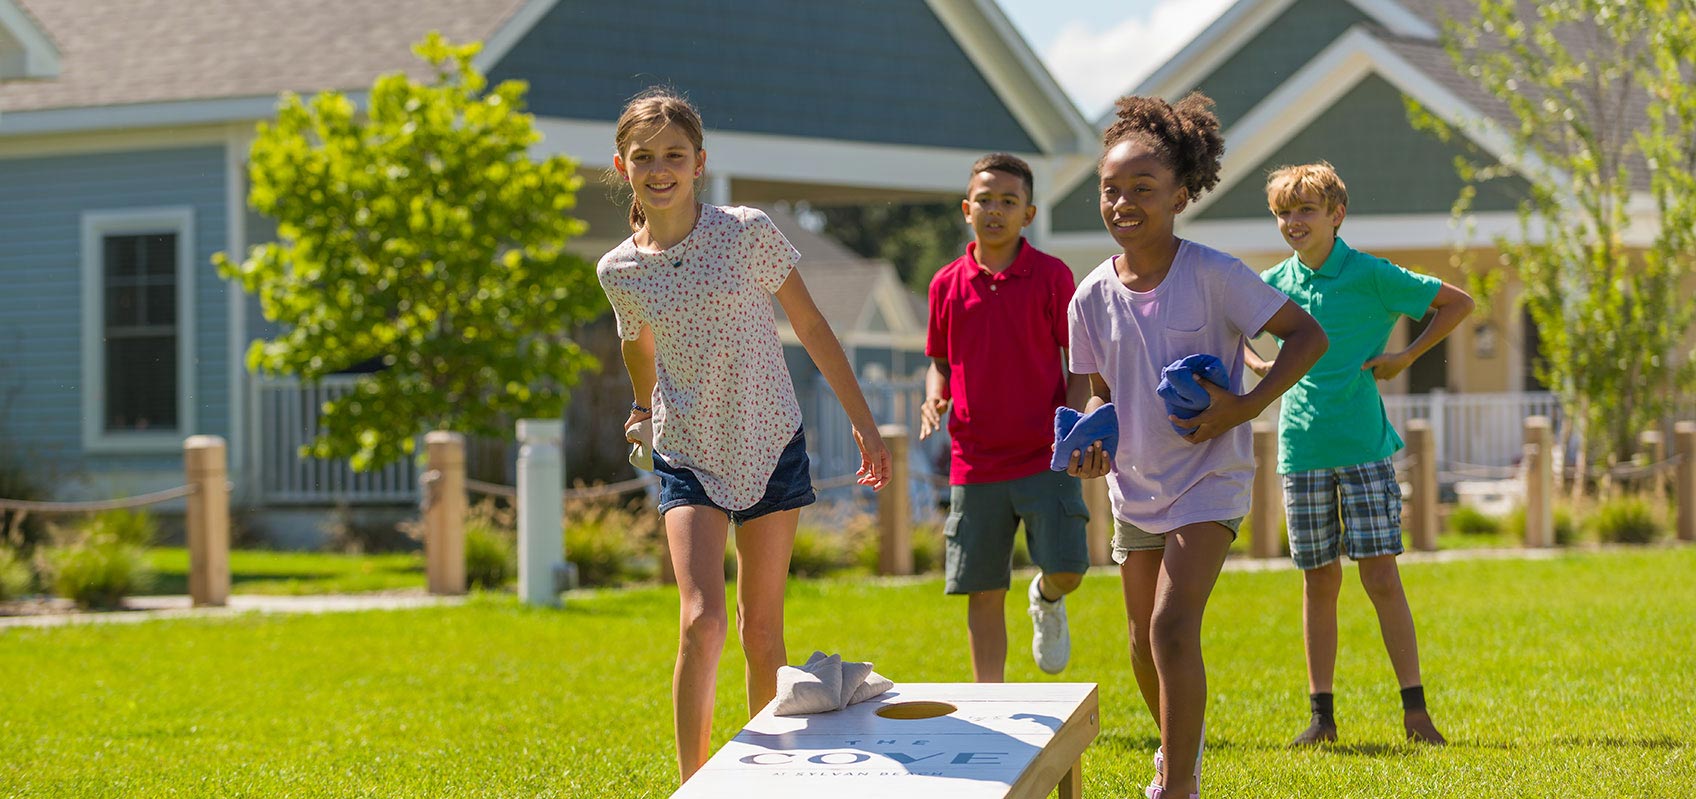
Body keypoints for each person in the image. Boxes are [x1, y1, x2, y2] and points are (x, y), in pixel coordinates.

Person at [595, 88, 892, 783]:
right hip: (686, 449)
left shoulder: (746, 232)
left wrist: (864, 421)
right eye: (644, 157)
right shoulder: (619, 270)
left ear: (701, 162)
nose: (660, 167)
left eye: (674, 154)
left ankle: (768, 780)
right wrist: (642, 407)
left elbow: (813, 328)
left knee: (762, 629)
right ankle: (695, 782)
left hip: (769, 437)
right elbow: (635, 345)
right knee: (701, 621)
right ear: (622, 165)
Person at [1064, 93, 1328, 799]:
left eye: (1143, 189)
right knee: (1142, 647)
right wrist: (1090, 432)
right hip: (1133, 487)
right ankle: (1179, 753)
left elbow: (1307, 337)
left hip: (1210, 479)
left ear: (1181, 195)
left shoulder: (1216, 274)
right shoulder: (1088, 296)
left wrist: (1242, 407)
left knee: (1173, 627)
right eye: (1111, 190)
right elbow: (1092, 390)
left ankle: (1178, 786)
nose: (1123, 202)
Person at [1250, 161, 1474, 746]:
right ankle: (1322, 718)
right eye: (1283, 213)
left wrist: (1405, 357)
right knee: (1317, 582)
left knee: (1380, 576)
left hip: (1364, 449)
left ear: (1336, 215)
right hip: (1300, 450)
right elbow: (1229, 333)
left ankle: (1416, 711)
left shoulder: (1373, 275)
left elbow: (1458, 303)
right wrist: (1257, 367)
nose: (1293, 222)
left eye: (1305, 210)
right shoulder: (1272, 284)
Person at [919, 153, 1092, 681]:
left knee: (1069, 568)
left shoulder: (1052, 277)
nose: (996, 211)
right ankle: (991, 702)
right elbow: (940, 362)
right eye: (986, 201)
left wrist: (1075, 425)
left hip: (1046, 454)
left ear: (1029, 213)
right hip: (974, 463)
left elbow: (1078, 361)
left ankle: (1045, 597)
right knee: (983, 589)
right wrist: (935, 396)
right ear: (967, 209)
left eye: (1008, 202)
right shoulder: (945, 284)